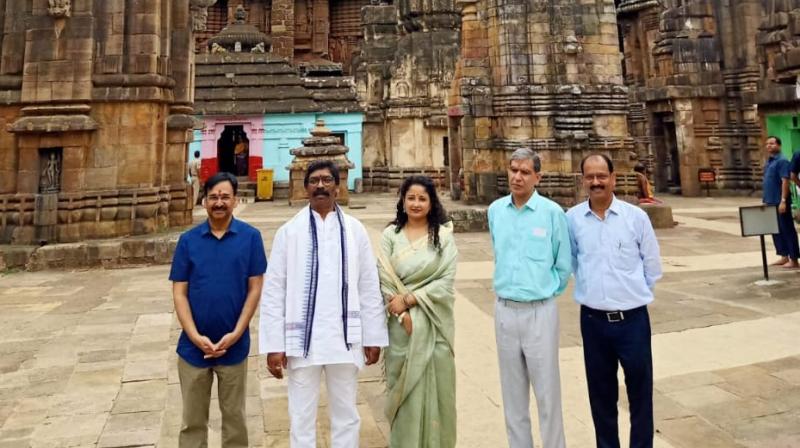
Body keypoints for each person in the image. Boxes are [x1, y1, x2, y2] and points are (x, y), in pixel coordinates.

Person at [259, 159, 388, 448]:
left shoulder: (355, 231)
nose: (321, 185)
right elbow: (274, 290)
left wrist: (373, 336)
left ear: (337, 187)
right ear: (305, 188)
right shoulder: (288, 232)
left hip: (345, 339)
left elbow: (368, 285)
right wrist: (273, 344)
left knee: (347, 414)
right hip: (302, 341)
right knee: (301, 415)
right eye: (314, 180)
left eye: (327, 180)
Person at [567, 154, 663, 448]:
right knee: (601, 395)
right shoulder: (571, 219)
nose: (596, 182)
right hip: (593, 321)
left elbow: (652, 267)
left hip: (632, 320)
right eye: (589, 177)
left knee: (640, 393)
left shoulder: (636, 218)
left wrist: (628, 294)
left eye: (601, 176)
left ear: (613, 178)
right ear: (583, 180)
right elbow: (571, 262)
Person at [169, 172, 268, 447]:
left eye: (225, 197)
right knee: (192, 421)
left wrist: (237, 332)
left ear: (235, 200)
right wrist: (193, 335)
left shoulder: (250, 238)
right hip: (192, 348)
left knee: (235, 419)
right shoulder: (188, 241)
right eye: (213, 197)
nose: (219, 202)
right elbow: (179, 293)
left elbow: (255, 289)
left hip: (234, 346)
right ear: (204, 202)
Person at [488, 148, 571, 448]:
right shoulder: (496, 211)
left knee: (547, 392)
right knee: (512, 395)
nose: (517, 177)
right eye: (513, 170)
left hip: (539, 312)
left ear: (538, 177)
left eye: (524, 172)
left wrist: (543, 292)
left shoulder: (552, 213)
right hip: (505, 310)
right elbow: (499, 250)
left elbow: (563, 266)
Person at [378, 175, 458, 448]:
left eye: (422, 198)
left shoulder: (443, 237)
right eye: (410, 198)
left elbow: (446, 281)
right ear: (402, 201)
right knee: (403, 394)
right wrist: (402, 313)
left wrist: (412, 299)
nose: (415, 203)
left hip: (434, 323)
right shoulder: (391, 235)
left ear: (431, 202)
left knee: (439, 392)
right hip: (401, 327)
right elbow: (384, 277)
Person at [762, 136, 799, 269]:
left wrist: (783, 200)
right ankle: (784, 255)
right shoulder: (769, 162)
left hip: (780, 201)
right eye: (767, 144)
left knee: (787, 229)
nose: (769, 146)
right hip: (770, 200)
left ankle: (794, 259)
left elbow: (785, 181)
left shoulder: (782, 161)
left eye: (772, 143)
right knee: (776, 230)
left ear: (779, 145)